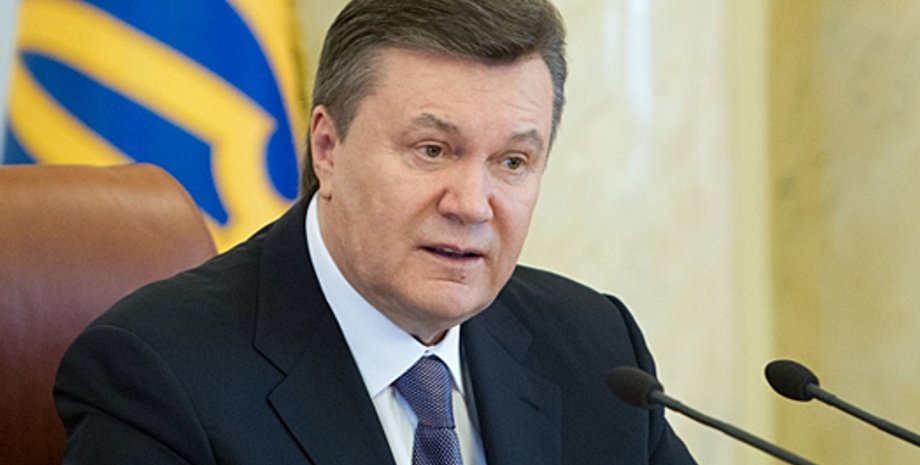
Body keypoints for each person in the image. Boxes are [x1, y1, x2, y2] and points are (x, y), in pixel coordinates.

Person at [54, 0, 697, 464]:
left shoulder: (596, 352)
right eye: (431, 150)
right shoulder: (159, 376)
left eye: (512, 162)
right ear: (328, 148)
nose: (472, 205)